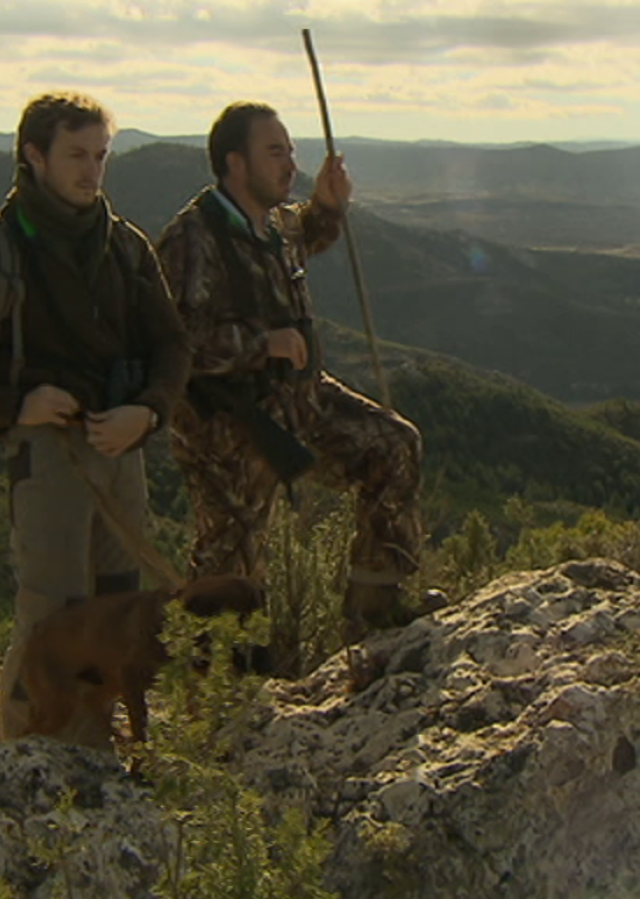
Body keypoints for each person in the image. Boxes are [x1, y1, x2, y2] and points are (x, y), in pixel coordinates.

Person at [0, 92, 190, 748]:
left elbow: (171, 343)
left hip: (119, 439)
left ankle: (93, 739)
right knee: (54, 602)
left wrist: (148, 411)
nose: (91, 170)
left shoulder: (125, 245)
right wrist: (15, 405)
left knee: (117, 597)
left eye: (100, 155)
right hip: (42, 448)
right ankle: (27, 751)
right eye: (76, 155)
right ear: (34, 155)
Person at [155, 101, 424, 674]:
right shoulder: (192, 237)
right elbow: (174, 344)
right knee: (229, 568)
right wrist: (262, 343)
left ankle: (374, 614)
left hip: (299, 401)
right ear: (234, 162)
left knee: (393, 447)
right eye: (275, 152)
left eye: (291, 151)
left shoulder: (272, 223)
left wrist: (328, 205)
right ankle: (212, 698)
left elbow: (307, 235)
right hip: (230, 427)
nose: (290, 164)